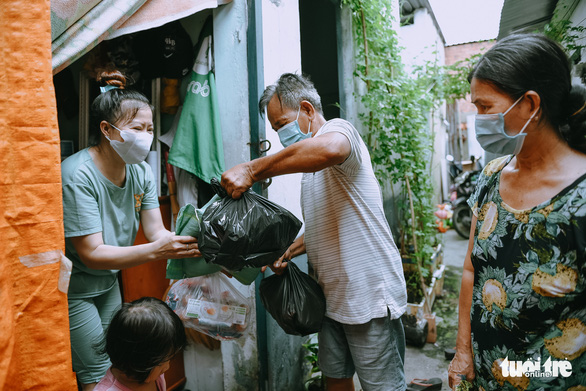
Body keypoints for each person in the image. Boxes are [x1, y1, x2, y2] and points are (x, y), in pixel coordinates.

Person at [221, 73, 407, 390]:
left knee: (383, 386)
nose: (281, 135)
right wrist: (290, 250)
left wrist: (252, 169)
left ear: (307, 110)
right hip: (331, 299)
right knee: (335, 380)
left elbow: (331, 149)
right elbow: (328, 226)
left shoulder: (339, 132)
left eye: (282, 125)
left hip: (368, 297)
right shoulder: (312, 173)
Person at [448, 33, 586, 390]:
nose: (478, 120)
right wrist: (463, 351)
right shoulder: (491, 178)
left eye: (485, 107)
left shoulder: (581, 198)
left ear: (530, 104)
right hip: (482, 375)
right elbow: (469, 270)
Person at [61, 70, 200, 390]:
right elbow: (92, 254)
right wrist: (159, 250)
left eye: (150, 128)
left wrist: (183, 241)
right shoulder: (77, 174)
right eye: (137, 128)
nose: (146, 135)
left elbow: (156, 230)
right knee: (97, 372)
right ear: (107, 130)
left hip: (109, 283)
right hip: (75, 290)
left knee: (122, 365)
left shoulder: (140, 172)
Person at [94, 297, 187, 391]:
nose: (167, 367)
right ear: (139, 362)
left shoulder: (153, 370)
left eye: (169, 359)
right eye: (162, 363)